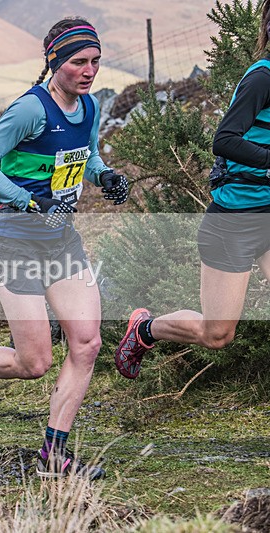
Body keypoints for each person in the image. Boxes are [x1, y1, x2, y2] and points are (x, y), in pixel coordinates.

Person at [0, 19, 130, 480]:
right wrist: (28, 199)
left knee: (87, 344)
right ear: (54, 62)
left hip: (61, 241)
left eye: (95, 61)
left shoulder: (91, 106)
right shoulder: (30, 111)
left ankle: (53, 458)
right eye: (78, 62)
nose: (89, 71)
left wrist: (106, 176)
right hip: (14, 241)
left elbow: (87, 155)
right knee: (35, 362)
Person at [115, 1, 270, 380]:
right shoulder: (262, 78)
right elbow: (225, 140)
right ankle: (144, 329)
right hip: (235, 222)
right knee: (217, 334)